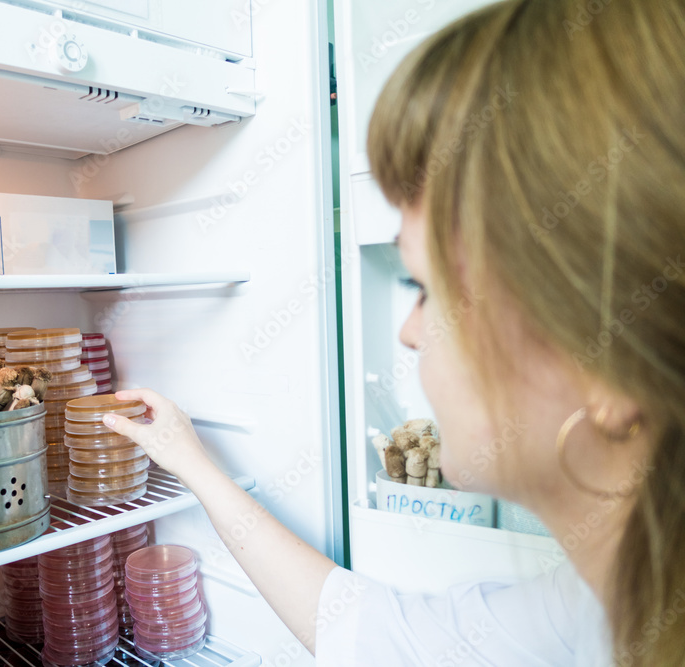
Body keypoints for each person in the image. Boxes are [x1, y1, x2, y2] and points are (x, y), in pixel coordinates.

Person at [103, 0, 685, 664]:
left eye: (427, 289)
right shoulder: (600, 600)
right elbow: (373, 630)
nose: (408, 333)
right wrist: (191, 460)